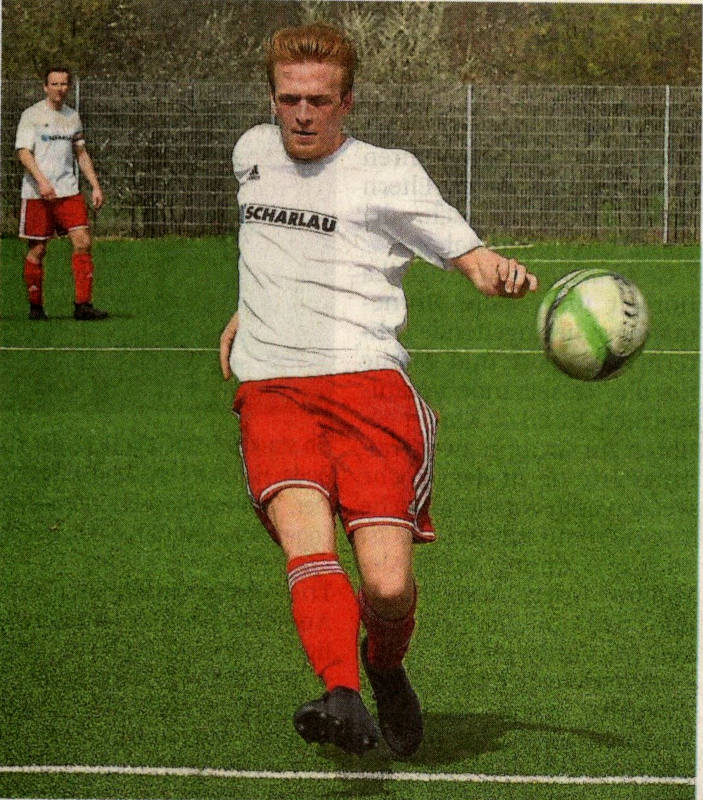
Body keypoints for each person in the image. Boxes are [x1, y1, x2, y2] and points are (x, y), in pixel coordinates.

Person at [219, 23, 537, 758]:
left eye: (318, 101)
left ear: (347, 102)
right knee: (308, 542)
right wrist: (249, 307)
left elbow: (469, 255)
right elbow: (272, 246)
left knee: (388, 590)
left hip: (368, 389)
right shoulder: (251, 153)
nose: (301, 115)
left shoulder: (388, 171)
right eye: (289, 99)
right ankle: (339, 692)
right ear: (272, 98)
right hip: (273, 388)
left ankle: (382, 665)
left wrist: (502, 275)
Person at [15, 67, 108, 321]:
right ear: (45, 87)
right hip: (38, 194)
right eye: (54, 84)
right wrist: (42, 181)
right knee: (38, 250)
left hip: (68, 191)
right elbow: (24, 152)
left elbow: (81, 153)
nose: (60, 88)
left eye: (64, 84)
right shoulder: (31, 115)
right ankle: (36, 306)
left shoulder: (72, 117)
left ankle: (83, 305)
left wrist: (95, 185)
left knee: (83, 242)